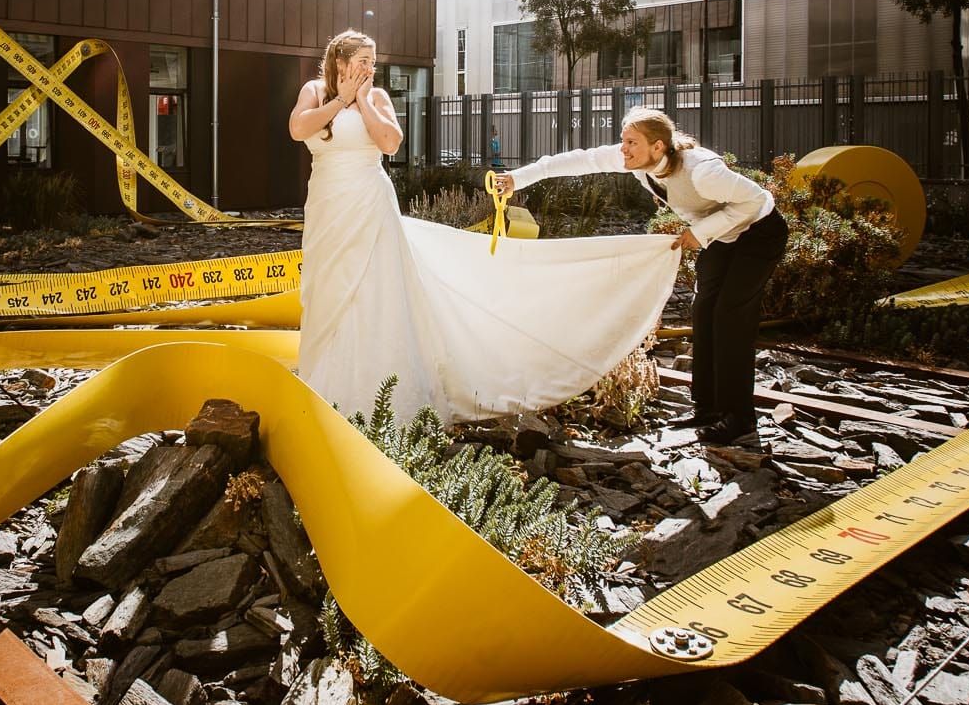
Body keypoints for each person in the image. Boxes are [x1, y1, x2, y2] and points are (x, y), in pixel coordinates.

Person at [289, 30, 680, 425]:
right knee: (329, 283)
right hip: (328, 201)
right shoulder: (315, 91)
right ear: (340, 61)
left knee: (378, 287)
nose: (370, 69)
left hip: (370, 200)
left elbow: (391, 144)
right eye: (362, 62)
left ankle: (382, 397)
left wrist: (361, 100)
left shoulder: (377, 98)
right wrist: (341, 100)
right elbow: (298, 129)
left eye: (373, 62)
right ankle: (323, 383)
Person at [495, 107, 786, 446]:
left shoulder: (703, 171)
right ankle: (708, 409)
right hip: (722, 236)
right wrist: (518, 178)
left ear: (658, 147)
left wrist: (702, 231)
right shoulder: (635, 159)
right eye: (623, 141)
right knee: (705, 312)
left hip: (758, 233)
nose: (624, 149)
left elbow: (758, 200)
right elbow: (578, 160)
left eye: (632, 142)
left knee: (730, 316)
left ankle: (740, 418)